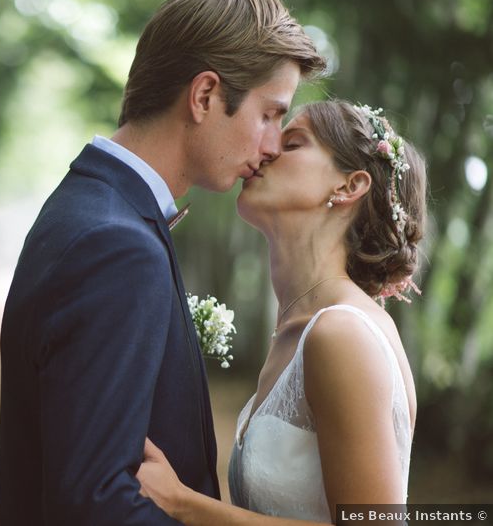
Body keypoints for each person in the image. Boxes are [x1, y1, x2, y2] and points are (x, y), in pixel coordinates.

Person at [0, 0, 325, 524]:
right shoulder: (117, 246)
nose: (271, 146)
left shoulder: (90, 207)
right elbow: (97, 504)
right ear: (204, 96)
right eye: (269, 114)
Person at [136, 100, 427, 524]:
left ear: (349, 186)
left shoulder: (341, 334)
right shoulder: (296, 330)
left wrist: (184, 504)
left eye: (292, 142)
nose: (267, 149)